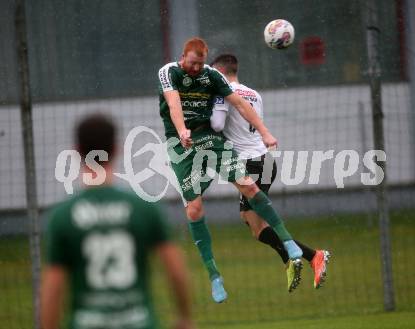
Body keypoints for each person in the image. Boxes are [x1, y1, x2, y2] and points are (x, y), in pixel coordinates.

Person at [158, 37, 304, 303]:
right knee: (194, 209)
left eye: (200, 64)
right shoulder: (168, 72)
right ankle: (215, 276)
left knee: (249, 185)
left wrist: (265, 133)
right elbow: (174, 104)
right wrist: (181, 131)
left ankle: (290, 243)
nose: (196, 69)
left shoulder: (211, 75)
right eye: (192, 63)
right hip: (180, 145)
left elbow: (240, 103)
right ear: (183, 57)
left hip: (210, 140)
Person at [41, 114, 194, 329]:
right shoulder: (144, 208)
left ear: (77, 151)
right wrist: (184, 317)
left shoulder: (63, 216)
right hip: (139, 322)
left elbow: (53, 288)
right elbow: (175, 269)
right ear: (116, 148)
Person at [210, 54, 330, 289]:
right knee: (254, 223)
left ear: (220, 72)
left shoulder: (222, 93)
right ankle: (294, 257)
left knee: (256, 226)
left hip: (249, 163)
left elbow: (217, 125)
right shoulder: (253, 94)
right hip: (263, 160)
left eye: (213, 74)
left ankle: (311, 255)